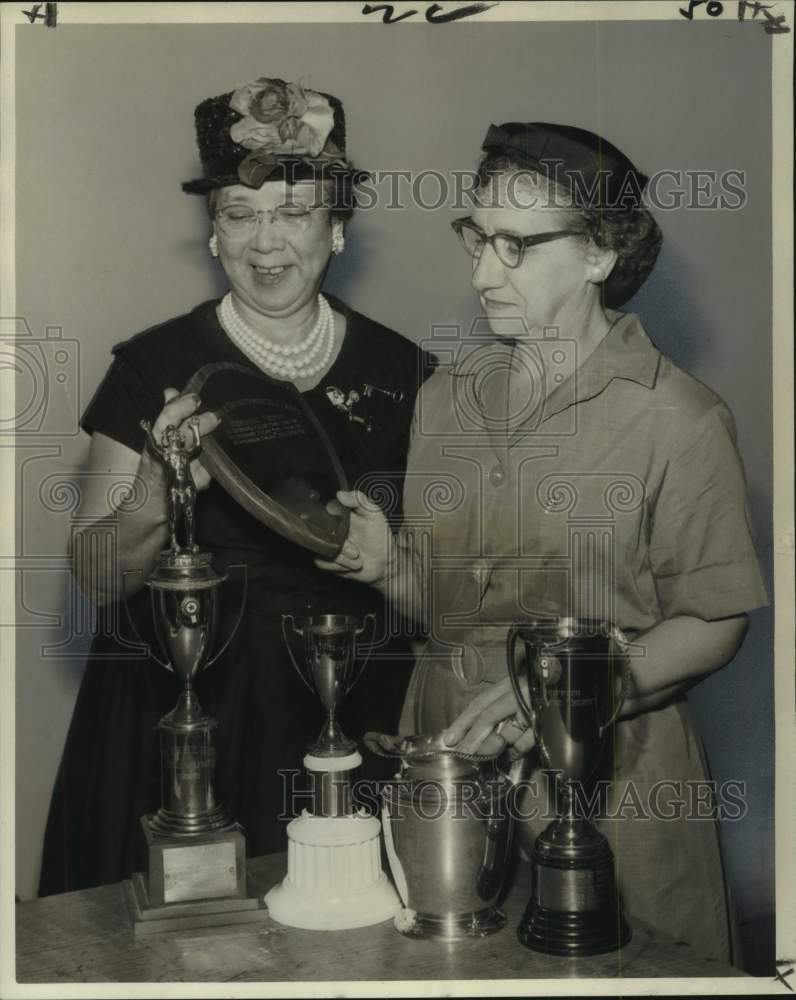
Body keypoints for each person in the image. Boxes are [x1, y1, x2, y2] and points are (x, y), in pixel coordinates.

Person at [318, 122, 767, 963]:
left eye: (516, 246)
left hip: (612, 785)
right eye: (476, 237)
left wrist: (563, 696)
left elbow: (716, 619)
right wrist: (389, 568)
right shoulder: (447, 398)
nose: (484, 271)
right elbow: (447, 609)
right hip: (451, 773)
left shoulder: (679, 417)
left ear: (599, 253)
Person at [39, 76, 433, 895]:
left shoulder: (409, 374)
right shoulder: (151, 365)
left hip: (350, 710)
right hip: (177, 718)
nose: (266, 244)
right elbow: (95, 575)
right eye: (240, 216)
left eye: (295, 214)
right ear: (213, 234)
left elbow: (451, 588)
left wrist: (391, 562)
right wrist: (153, 491)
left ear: (340, 229)